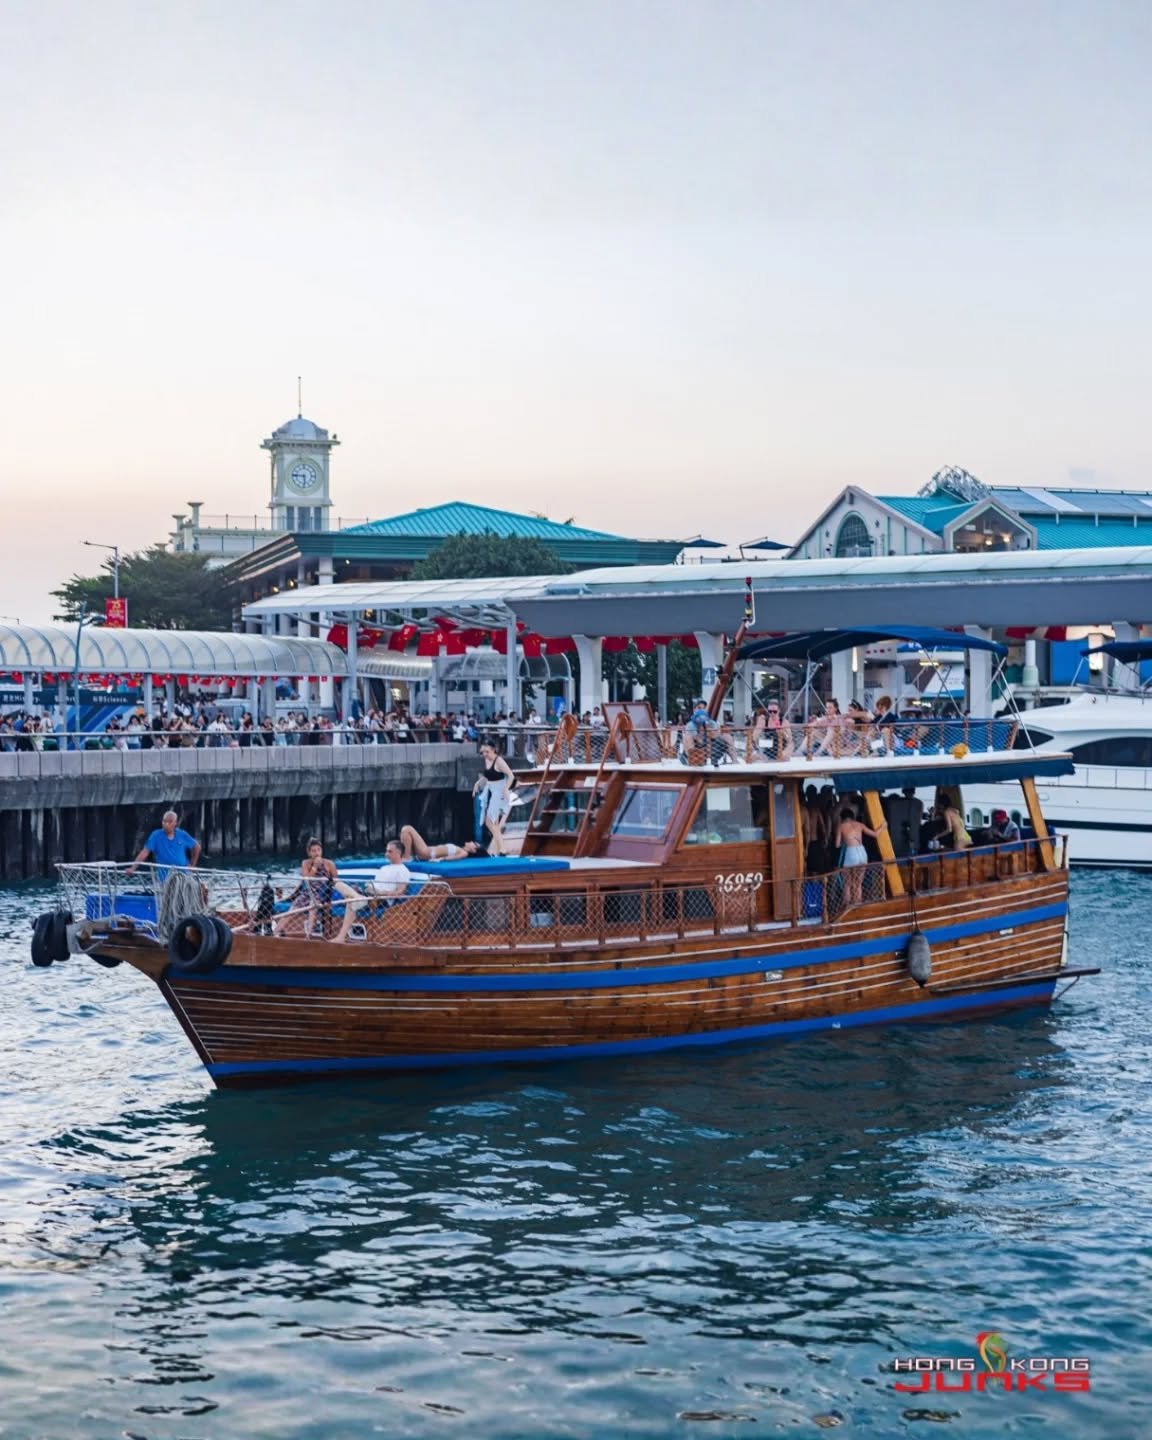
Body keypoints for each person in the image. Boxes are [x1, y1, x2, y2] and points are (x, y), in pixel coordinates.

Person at [274, 838, 368, 937]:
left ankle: (309, 935)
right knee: (293, 909)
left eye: (318, 850)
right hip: (308, 892)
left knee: (313, 905)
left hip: (324, 893)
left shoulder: (329, 864)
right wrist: (315, 867)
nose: (316, 853)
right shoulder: (306, 863)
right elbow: (307, 879)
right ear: (309, 853)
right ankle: (276, 931)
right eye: (313, 851)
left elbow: (336, 881)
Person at [333, 840, 412, 943]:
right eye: (386, 851)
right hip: (369, 893)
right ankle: (358, 897)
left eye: (390, 851)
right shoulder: (384, 868)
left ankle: (341, 937)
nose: (386, 854)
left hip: (380, 899)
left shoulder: (403, 870)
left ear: (398, 853)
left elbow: (400, 892)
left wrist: (379, 892)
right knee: (337, 883)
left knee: (351, 902)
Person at [835, 807, 887, 904]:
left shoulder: (841, 826)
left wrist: (846, 840)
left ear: (842, 818)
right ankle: (858, 903)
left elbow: (837, 845)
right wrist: (883, 826)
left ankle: (847, 905)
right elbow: (875, 834)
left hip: (851, 853)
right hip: (862, 852)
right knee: (858, 882)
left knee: (847, 882)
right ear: (852, 817)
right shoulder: (860, 825)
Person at [127, 810, 201, 877]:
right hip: (165, 877)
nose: (166, 824)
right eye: (164, 821)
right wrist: (133, 868)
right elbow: (145, 852)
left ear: (175, 823)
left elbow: (197, 847)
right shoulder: (156, 835)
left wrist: (192, 865)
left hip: (184, 875)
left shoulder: (182, 834)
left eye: (170, 822)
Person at [473, 742, 516, 856]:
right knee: (494, 823)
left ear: (493, 750)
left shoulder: (499, 761)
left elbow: (511, 776)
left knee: (489, 821)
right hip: (491, 791)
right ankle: (499, 850)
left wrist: (506, 789)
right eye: (484, 752)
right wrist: (477, 783)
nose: (485, 754)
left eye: (487, 752)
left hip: (500, 792)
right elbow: (487, 776)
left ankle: (502, 849)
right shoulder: (487, 760)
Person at [399, 824, 482, 861]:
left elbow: (454, 857)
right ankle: (406, 856)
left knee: (407, 829)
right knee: (405, 833)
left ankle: (407, 857)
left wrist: (440, 859)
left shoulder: (464, 853)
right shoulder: (460, 848)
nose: (471, 841)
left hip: (428, 853)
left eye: (474, 843)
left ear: (474, 850)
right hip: (426, 852)